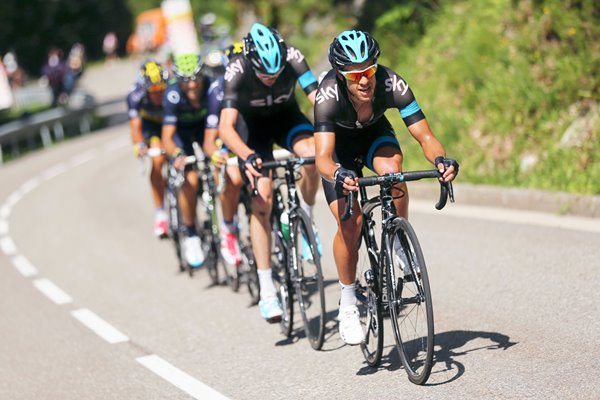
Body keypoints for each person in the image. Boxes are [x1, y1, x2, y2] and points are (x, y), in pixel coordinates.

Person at [313, 30, 459, 345]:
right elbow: (322, 159)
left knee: (393, 172)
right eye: (356, 74)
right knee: (349, 224)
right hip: (338, 152)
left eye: (370, 70)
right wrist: (339, 174)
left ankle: (396, 240)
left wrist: (441, 160)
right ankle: (349, 300)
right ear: (341, 74)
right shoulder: (328, 97)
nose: (365, 80)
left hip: (373, 137)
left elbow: (425, 136)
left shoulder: (392, 83)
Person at [218, 23, 320, 322]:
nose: (272, 79)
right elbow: (225, 127)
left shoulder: (293, 55)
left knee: (312, 156)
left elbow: (316, 97)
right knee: (261, 201)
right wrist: (247, 156)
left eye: (276, 75)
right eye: (265, 75)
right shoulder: (236, 69)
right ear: (251, 63)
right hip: (253, 133)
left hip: (287, 120)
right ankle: (266, 291)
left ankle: (307, 218)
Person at [161, 53, 227, 268]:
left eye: (195, 79)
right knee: (189, 181)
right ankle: (191, 235)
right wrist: (177, 154)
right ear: (178, 81)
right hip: (182, 135)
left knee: (220, 171)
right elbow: (167, 138)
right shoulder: (172, 95)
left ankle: (227, 226)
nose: (191, 86)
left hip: (207, 130)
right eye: (185, 81)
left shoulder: (212, 88)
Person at [126, 60, 170, 237]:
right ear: (145, 89)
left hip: (169, 125)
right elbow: (135, 127)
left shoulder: (172, 90)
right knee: (158, 161)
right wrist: (139, 145)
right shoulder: (134, 96)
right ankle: (160, 212)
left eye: (162, 89)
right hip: (151, 128)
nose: (159, 94)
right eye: (154, 91)